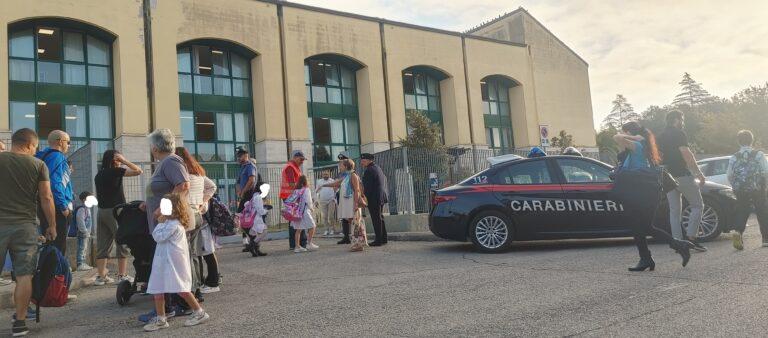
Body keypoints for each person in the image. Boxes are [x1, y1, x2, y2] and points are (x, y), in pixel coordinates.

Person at [614, 122, 694, 271]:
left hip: (644, 192)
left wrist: (636, 136)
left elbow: (616, 137)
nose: (622, 134)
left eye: (625, 132)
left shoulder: (638, 146)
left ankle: (676, 246)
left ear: (631, 134)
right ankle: (647, 258)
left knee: (644, 227)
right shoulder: (636, 148)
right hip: (638, 192)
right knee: (639, 227)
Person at [0, 128, 57, 337]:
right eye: (35, 148)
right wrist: (52, 225)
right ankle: (20, 323)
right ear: (30, 145)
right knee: (24, 275)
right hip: (25, 226)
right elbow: (47, 197)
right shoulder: (38, 165)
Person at [143, 193, 209, 332]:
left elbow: (158, 236)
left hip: (173, 264)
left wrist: (159, 222)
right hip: (163, 262)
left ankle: (199, 312)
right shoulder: (168, 223)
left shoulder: (174, 225)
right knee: (158, 288)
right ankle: (161, 318)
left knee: (181, 289)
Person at [658, 111, 707, 252]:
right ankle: (691, 238)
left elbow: (658, 156)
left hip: (666, 176)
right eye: (682, 119)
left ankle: (678, 244)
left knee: (674, 211)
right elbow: (686, 154)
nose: (683, 122)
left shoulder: (660, 136)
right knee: (697, 205)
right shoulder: (679, 134)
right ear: (676, 119)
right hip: (682, 175)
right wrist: (698, 173)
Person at [94, 150, 143, 285]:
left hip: (102, 211)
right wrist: (124, 161)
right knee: (122, 240)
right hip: (115, 211)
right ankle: (122, 275)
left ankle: (100, 276)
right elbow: (139, 171)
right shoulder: (115, 171)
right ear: (114, 159)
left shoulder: (99, 175)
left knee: (103, 244)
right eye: (118, 158)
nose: (120, 160)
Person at [174, 147, 219, 294]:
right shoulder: (198, 173)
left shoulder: (183, 174)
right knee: (196, 252)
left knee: (191, 252)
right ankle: (198, 284)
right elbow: (212, 186)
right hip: (198, 215)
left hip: (187, 214)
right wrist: (202, 202)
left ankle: (194, 286)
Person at [727, 130, 768, 249]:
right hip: (758, 188)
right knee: (762, 211)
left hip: (740, 189)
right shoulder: (759, 155)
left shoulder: (734, 157)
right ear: (752, 140)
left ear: (738, 142)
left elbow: (729, 175)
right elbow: (766, 171)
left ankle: (738, 232)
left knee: (742, 210)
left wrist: (735, 186)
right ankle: (766, 239)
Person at [35, 130, 73, 255]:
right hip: (57, 206)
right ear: (60, 141)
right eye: (68, 142)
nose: (69, 145)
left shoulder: (41, 156)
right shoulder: (58, 157)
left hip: (44, 204)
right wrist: (64, 208)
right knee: (58, 247)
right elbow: (55, 184)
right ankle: (57, 274)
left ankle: (48, 272)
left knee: (49, 244)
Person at [323, 159, 365, 245]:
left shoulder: (353, 175)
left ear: (346, 166)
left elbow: (357, 190)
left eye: (341, 166)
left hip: (352, 203)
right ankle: (356, 241)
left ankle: (359, 241)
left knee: (355, 222)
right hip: (347, 203)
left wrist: (356, 204)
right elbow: (337, 183)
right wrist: (324, 185)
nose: (339, 167)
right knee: (351, 221)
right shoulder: (347, 176)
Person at [281, 150, 307, 250]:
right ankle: (301, 243)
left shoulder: (294, 167)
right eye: (301, 159)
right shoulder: (290, 167)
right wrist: (303, 190)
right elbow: (292, 184)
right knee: (297, 219)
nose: (302, 161)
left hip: (291, 197)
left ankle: (295, 244)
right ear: (295, 157)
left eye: (303, 160)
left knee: (294, 220)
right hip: (291, 197)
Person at [361, 153, 389, 246]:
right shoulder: (377, 167)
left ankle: (378, 240)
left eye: (363, 160)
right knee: (380, 218)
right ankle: (383, 238)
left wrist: (363, 198)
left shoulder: (369, 170)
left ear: (370, 160)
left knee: (376, 219)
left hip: (374, 197)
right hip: (380, 196)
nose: (362, 162)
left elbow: (367, 187)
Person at [236, 148, 258, 251]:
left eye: (240, 156)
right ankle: (252, 242)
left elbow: (251, 180)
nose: (238, 158)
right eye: (238, 156)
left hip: (249, 195)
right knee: (242, 219)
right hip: (244, 195)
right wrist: (239, 191)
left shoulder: (250, 166)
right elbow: (239, 181)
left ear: (246, 155)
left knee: (245, 219)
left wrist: (243, 191)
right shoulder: (242, 167)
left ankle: (253, 242)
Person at [289, 176, 319, 253]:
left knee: (298, 230)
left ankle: (297, 247)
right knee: (312, 226)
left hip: (297, 212)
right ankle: (309, 243)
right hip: (305, 211)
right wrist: (312, 208)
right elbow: (308, 201)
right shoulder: (306, 190)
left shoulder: (295, 190)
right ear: (306, 182)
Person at [75, 191, 95, 271]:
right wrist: (85, 231)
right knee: (82, 248)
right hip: (83, 233)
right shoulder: (82, 209)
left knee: (84, 248)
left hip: (86, 233)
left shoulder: (87, 209)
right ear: (84, 200)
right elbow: (80, 221)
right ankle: (80, 263)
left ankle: (82, 263)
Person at [315, 170, 338, 236]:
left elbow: (336, 190)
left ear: (329, 174)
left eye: (327, 174)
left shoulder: (332, 181)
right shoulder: (319, 181)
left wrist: (334, 198)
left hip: (331, 200)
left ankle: (333, 229)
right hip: (322, 201)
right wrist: (316, 200)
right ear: (322, 175)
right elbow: (317, 191)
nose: (325, 176)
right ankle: (326, 229)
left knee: (331, 216)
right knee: (324, 216)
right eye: (324, 174)